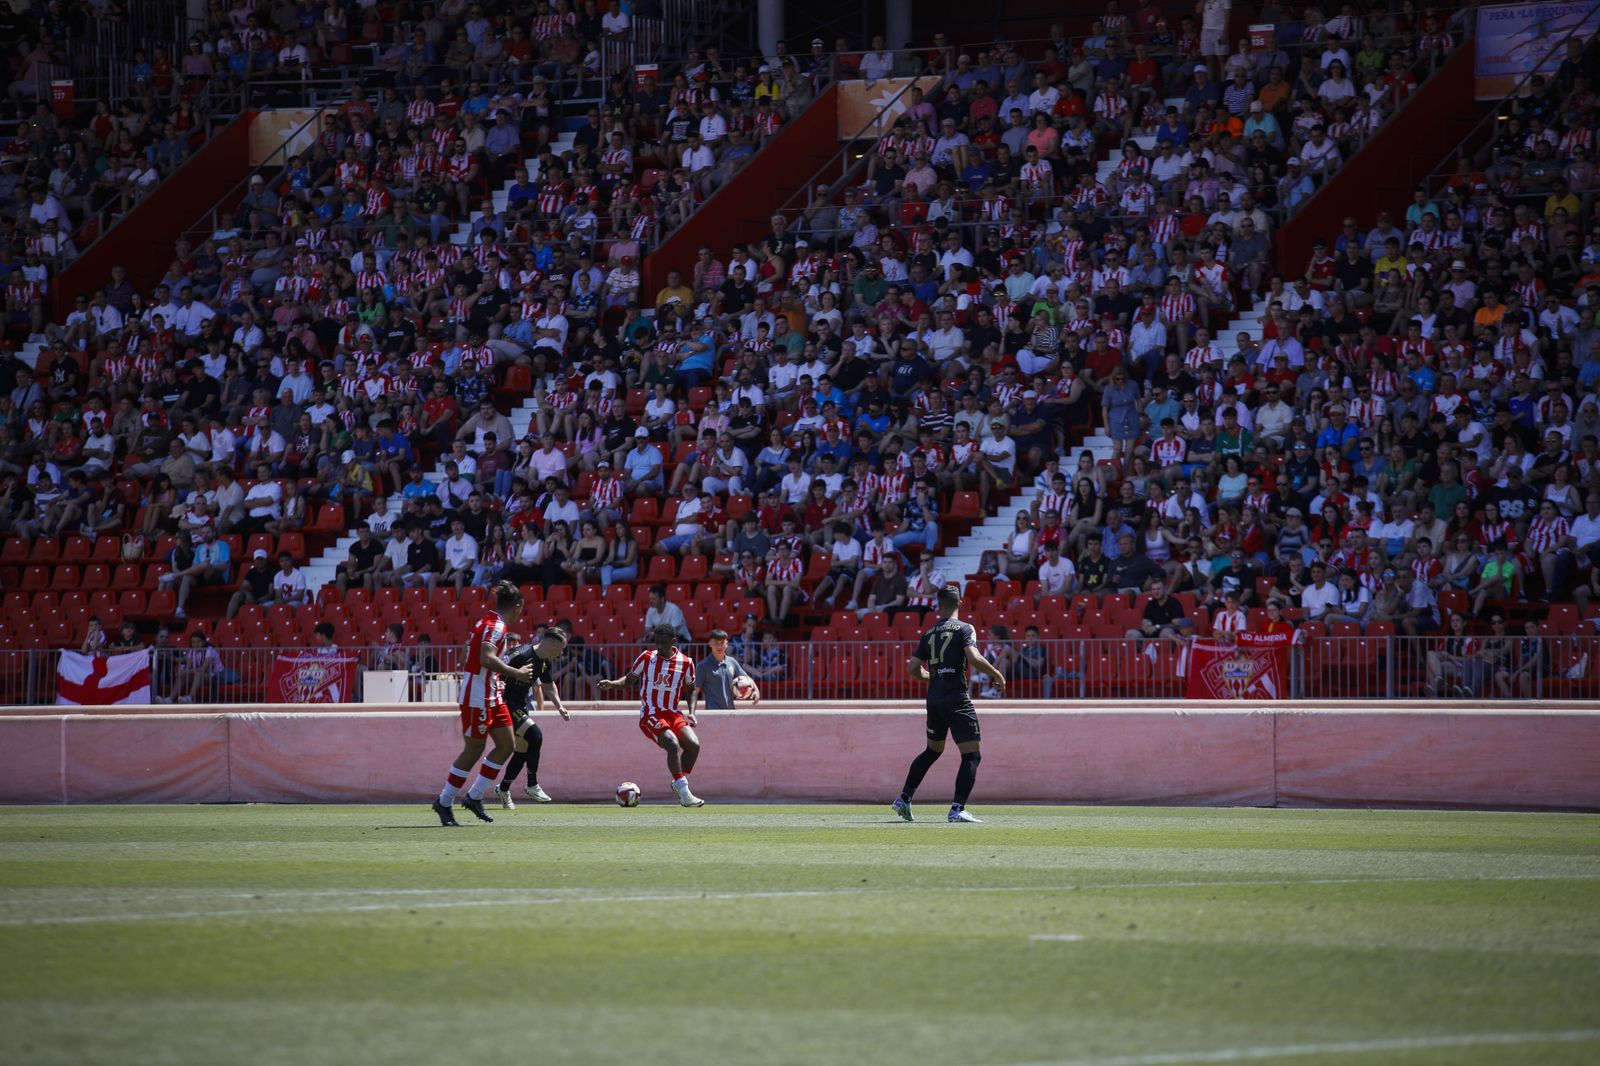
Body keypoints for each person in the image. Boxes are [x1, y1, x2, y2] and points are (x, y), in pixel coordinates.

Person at [894, 584, 1007, 824]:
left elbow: (912, 668)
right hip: (956, 697)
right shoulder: (965, 628)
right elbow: (974, 658)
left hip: (934, 698)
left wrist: (931, 677)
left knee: (932, 750)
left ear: (938, 604)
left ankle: (904, 798)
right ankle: (957, 809)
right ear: (960, 603)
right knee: (972, 756)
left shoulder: (929, 632)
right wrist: (997, 675)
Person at [431, 581, 537, 827]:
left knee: (506, 744)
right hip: (477, 696)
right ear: (518, 606)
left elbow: (470, 655)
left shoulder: (486, 622)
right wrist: (516, 673)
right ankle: (444, 801)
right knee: (474, 749)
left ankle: (474, 797)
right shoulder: (496, 626)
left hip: (492, 694)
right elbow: (486, 658)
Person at [597, 623, 706, 807]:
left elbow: (690, 690)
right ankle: (685, 793)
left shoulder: (686, 663)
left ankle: (679, 784)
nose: (659, 647)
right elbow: (629, 680)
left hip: (673, 713)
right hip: (650, 714)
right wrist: (612, 684)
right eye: (657, 643)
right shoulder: (647, 658)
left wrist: (692, 712)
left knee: (693, 745)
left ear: (673, 642)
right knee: (672, 743)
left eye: (663, 643)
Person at [494, 625, 572, 809]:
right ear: (552, 645)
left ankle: (503, 788)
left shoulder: (544, 661)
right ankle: (532, 784)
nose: (561, 653)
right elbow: (496, 672)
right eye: (561, 649)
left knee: (522, 751)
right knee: (535, 735)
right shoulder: (520, 654)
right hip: (505, 704)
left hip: (520, 705)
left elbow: (548, 685)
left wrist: (559, 706)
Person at [693, 627, 761, 710]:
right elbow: (694, 692)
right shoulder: (703, 666)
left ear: (726, 644)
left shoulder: (732, 662)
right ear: (710, 644)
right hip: (712, 714)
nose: (719, 646)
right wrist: (692, 712)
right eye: (715, 643)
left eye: (722, 643)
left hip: (730, 712)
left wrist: (756, 691)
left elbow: (747, 678)